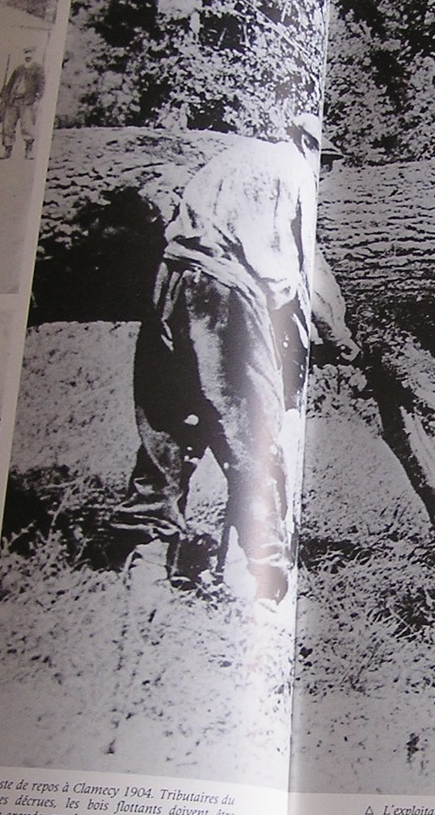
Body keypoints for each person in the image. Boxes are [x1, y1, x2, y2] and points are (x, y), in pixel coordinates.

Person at [112, 113, 353, 602]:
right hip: (223, 295)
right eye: (325, 162)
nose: (324, 173)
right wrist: (341, 337)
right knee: (252, 429)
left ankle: (142, 552)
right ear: (310, 146)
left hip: (170, 281)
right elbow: (295, 276)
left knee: (168, 420)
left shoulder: (228, 161)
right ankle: (261, 573)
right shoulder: (293, 174)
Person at [0, 47, 44, 160]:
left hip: (27, 101)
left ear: (34, 54)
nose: (28, 55)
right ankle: (7, 150)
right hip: (13, 101)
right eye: (26, 53)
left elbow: (41, 85)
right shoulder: (19, 69)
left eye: (30, 53)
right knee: (8, 126)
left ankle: (28, 151)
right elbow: (10, 84)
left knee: (27, 127)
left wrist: (38, 100)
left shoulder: (38, 68)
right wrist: (4, 98)